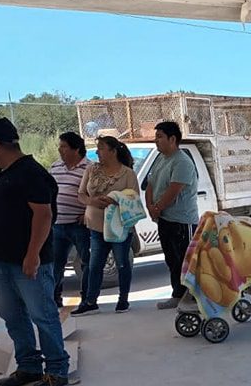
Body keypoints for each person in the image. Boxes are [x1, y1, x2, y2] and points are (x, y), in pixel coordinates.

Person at [0, 117, 70, 386]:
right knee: (12, 315)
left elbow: (43, 214)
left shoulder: (31, 173)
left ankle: (56, 369)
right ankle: (28, 365)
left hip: (26, 261)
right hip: (0, 261)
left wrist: (32, 255)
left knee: (43, 315)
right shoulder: (1, 174)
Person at [73, 136, 140, 315]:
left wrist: (115, 199)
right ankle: (90, 301)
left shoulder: (127, 173)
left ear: (113, 151)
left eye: (101, 148)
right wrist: (92, 201)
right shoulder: (91, 170)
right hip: (96, 226)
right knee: (95, 265)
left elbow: (134, 197)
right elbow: (80, 194)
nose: (97, 152)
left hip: (120, 227)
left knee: (122, 264)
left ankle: (123, 300)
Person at [145, 121, 199, 310]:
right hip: (165, 219)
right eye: (156, 137)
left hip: (182, 221)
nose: (156, 141)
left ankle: (192, 296)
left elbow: (174, 189)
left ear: (172, 139)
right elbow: (150, 184)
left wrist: (157, 207)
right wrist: (150, 206)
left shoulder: (182, 161)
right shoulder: (160, 159)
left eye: (160, 137)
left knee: (186, 261)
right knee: (172, 260)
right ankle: (177, 294)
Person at [49, 132, 91, 309]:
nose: (60, 150)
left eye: (64, 146)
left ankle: (87, 298)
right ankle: (54, 297)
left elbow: (96, 193)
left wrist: (87, 212)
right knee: (55, 263)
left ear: (76, 149)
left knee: (86, 262)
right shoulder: (55, 167)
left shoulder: (90, 168)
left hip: (80, 225)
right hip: (57, 224)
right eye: (60, 146)